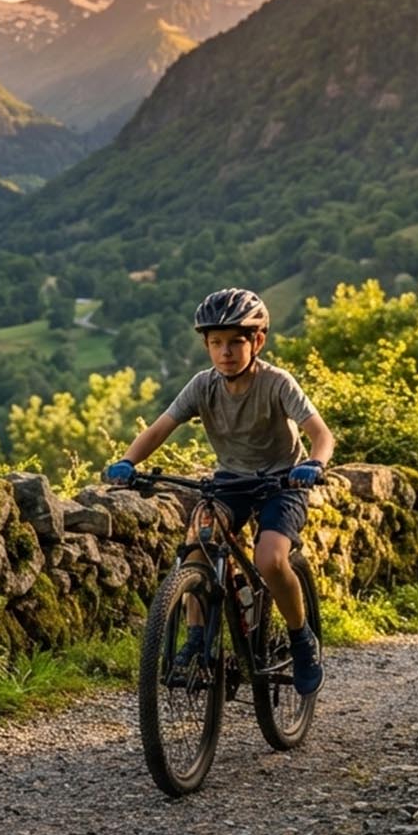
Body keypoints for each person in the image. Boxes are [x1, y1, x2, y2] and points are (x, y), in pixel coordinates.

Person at [104, 288, 335, 695]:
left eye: (235, 342)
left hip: (283, 481)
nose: (224, 352)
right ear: (207, 346)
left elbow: (321, 433)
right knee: (198, 543)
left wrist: (313, 464)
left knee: (270, 558)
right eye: (215, 343)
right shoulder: (202, 386)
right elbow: (159, 429)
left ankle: (302, 639)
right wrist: (129, 462)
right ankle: (197, 641)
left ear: (257, 341)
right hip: (231, 481)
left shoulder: (277, 383)